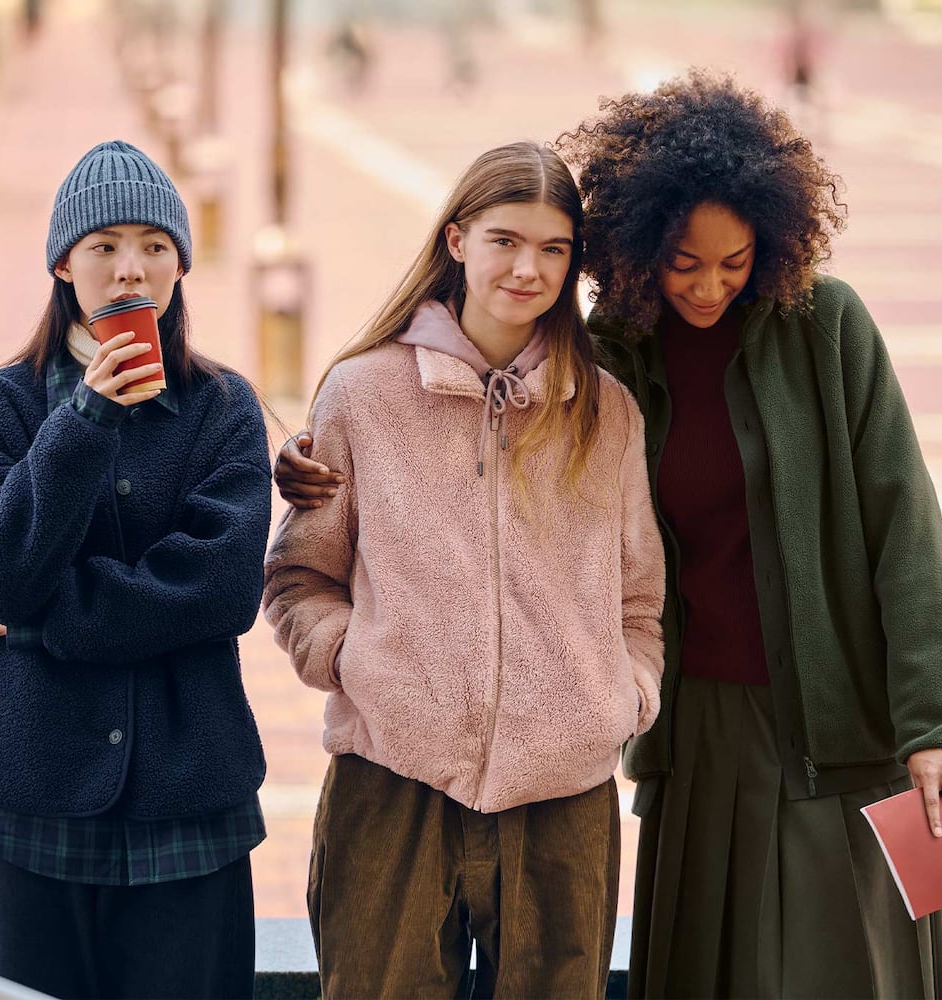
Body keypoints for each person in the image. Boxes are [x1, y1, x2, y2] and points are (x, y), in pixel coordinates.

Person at [277, 73, 942, 998]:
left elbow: (905, 524)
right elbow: (346, 544)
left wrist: (933, 725)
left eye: (734, 262)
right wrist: (353, 635)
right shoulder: (615, 353)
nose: (708, 286)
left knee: (847, 971)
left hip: (834, 721)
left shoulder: (823, 330)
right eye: (683, 262)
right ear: (640, 250)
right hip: (696, 736)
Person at [262, 140, 665, 999]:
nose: (528, 268)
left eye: (554, 250)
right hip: (391, 783)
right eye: (505, 241)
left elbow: (640, 599)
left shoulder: (608, 412)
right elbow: (300, 577)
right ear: (456, 241)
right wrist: (360, 663)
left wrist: (622, 694)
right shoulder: (361, 395)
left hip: (565, 795)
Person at [0, 139, 271, 999]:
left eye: (155, 248)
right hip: (32, 785)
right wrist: (84, 418)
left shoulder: (225, 410)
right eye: (106, 247)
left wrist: (42, 625)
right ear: (63, 263)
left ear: (180, 267)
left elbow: (222, 590)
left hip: (186, 787)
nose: (132, 271)